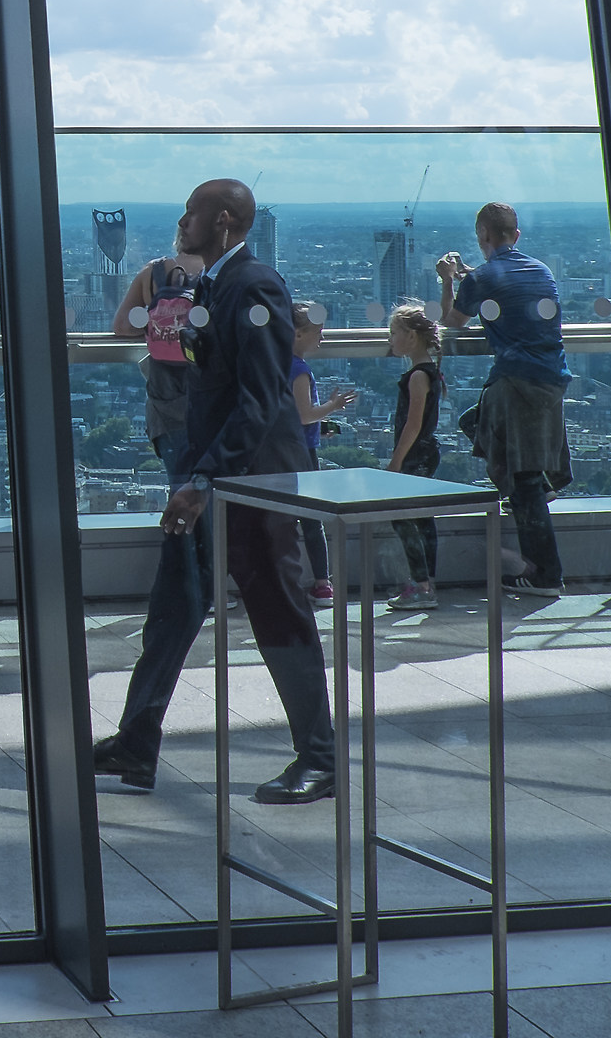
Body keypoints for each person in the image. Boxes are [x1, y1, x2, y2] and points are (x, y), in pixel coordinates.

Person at [92, 179, 337, 805]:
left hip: (249, 477)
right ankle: (136, 744)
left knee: (278, 605)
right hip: (211, 470)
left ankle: (320, 758)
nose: (182, 220)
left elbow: (259, 400)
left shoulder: (253, 285)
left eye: (192, 211)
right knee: (174, 603)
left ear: (224, 220)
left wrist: (204, 479)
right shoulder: (212, 283)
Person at [439, 201, 574, 597]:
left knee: (523, 479)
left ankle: (545, 574)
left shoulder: (479, 279)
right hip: (552, 379)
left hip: (516, 382)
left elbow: (452, 323)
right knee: (474, 423)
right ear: (516, 236)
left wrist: (449, 279)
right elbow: (507, 291)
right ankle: (539, 489)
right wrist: (471, 277)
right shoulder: (540, 269)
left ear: (482, 237)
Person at [111, 247, 208, 482]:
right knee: (217, 489)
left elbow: (122, 325)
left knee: (180, 484)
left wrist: (157, 327)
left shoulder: (153, 272)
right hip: (210, 397)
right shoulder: (218, 271)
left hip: (164, 401)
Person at [288, 301, 357, 606]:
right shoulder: (299, 370)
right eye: (317, 332)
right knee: (312, 518)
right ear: (298, 334)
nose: (322, 339)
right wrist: (333, 406)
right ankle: (322, 582)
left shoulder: (275, 364)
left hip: (284, 447)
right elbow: (304, 415)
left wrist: (322, 424)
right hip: (303, 452)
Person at [383, 300, 446, 610]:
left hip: (414, 455)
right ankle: (427, 582)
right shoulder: (429, 372)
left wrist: (396, 460)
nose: (390, 339)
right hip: (425, 453)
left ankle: (420, 585)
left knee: (403, 517)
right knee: (422, 517)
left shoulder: (418, 376)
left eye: (394, 332)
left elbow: (413, 423)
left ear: (411, 336)